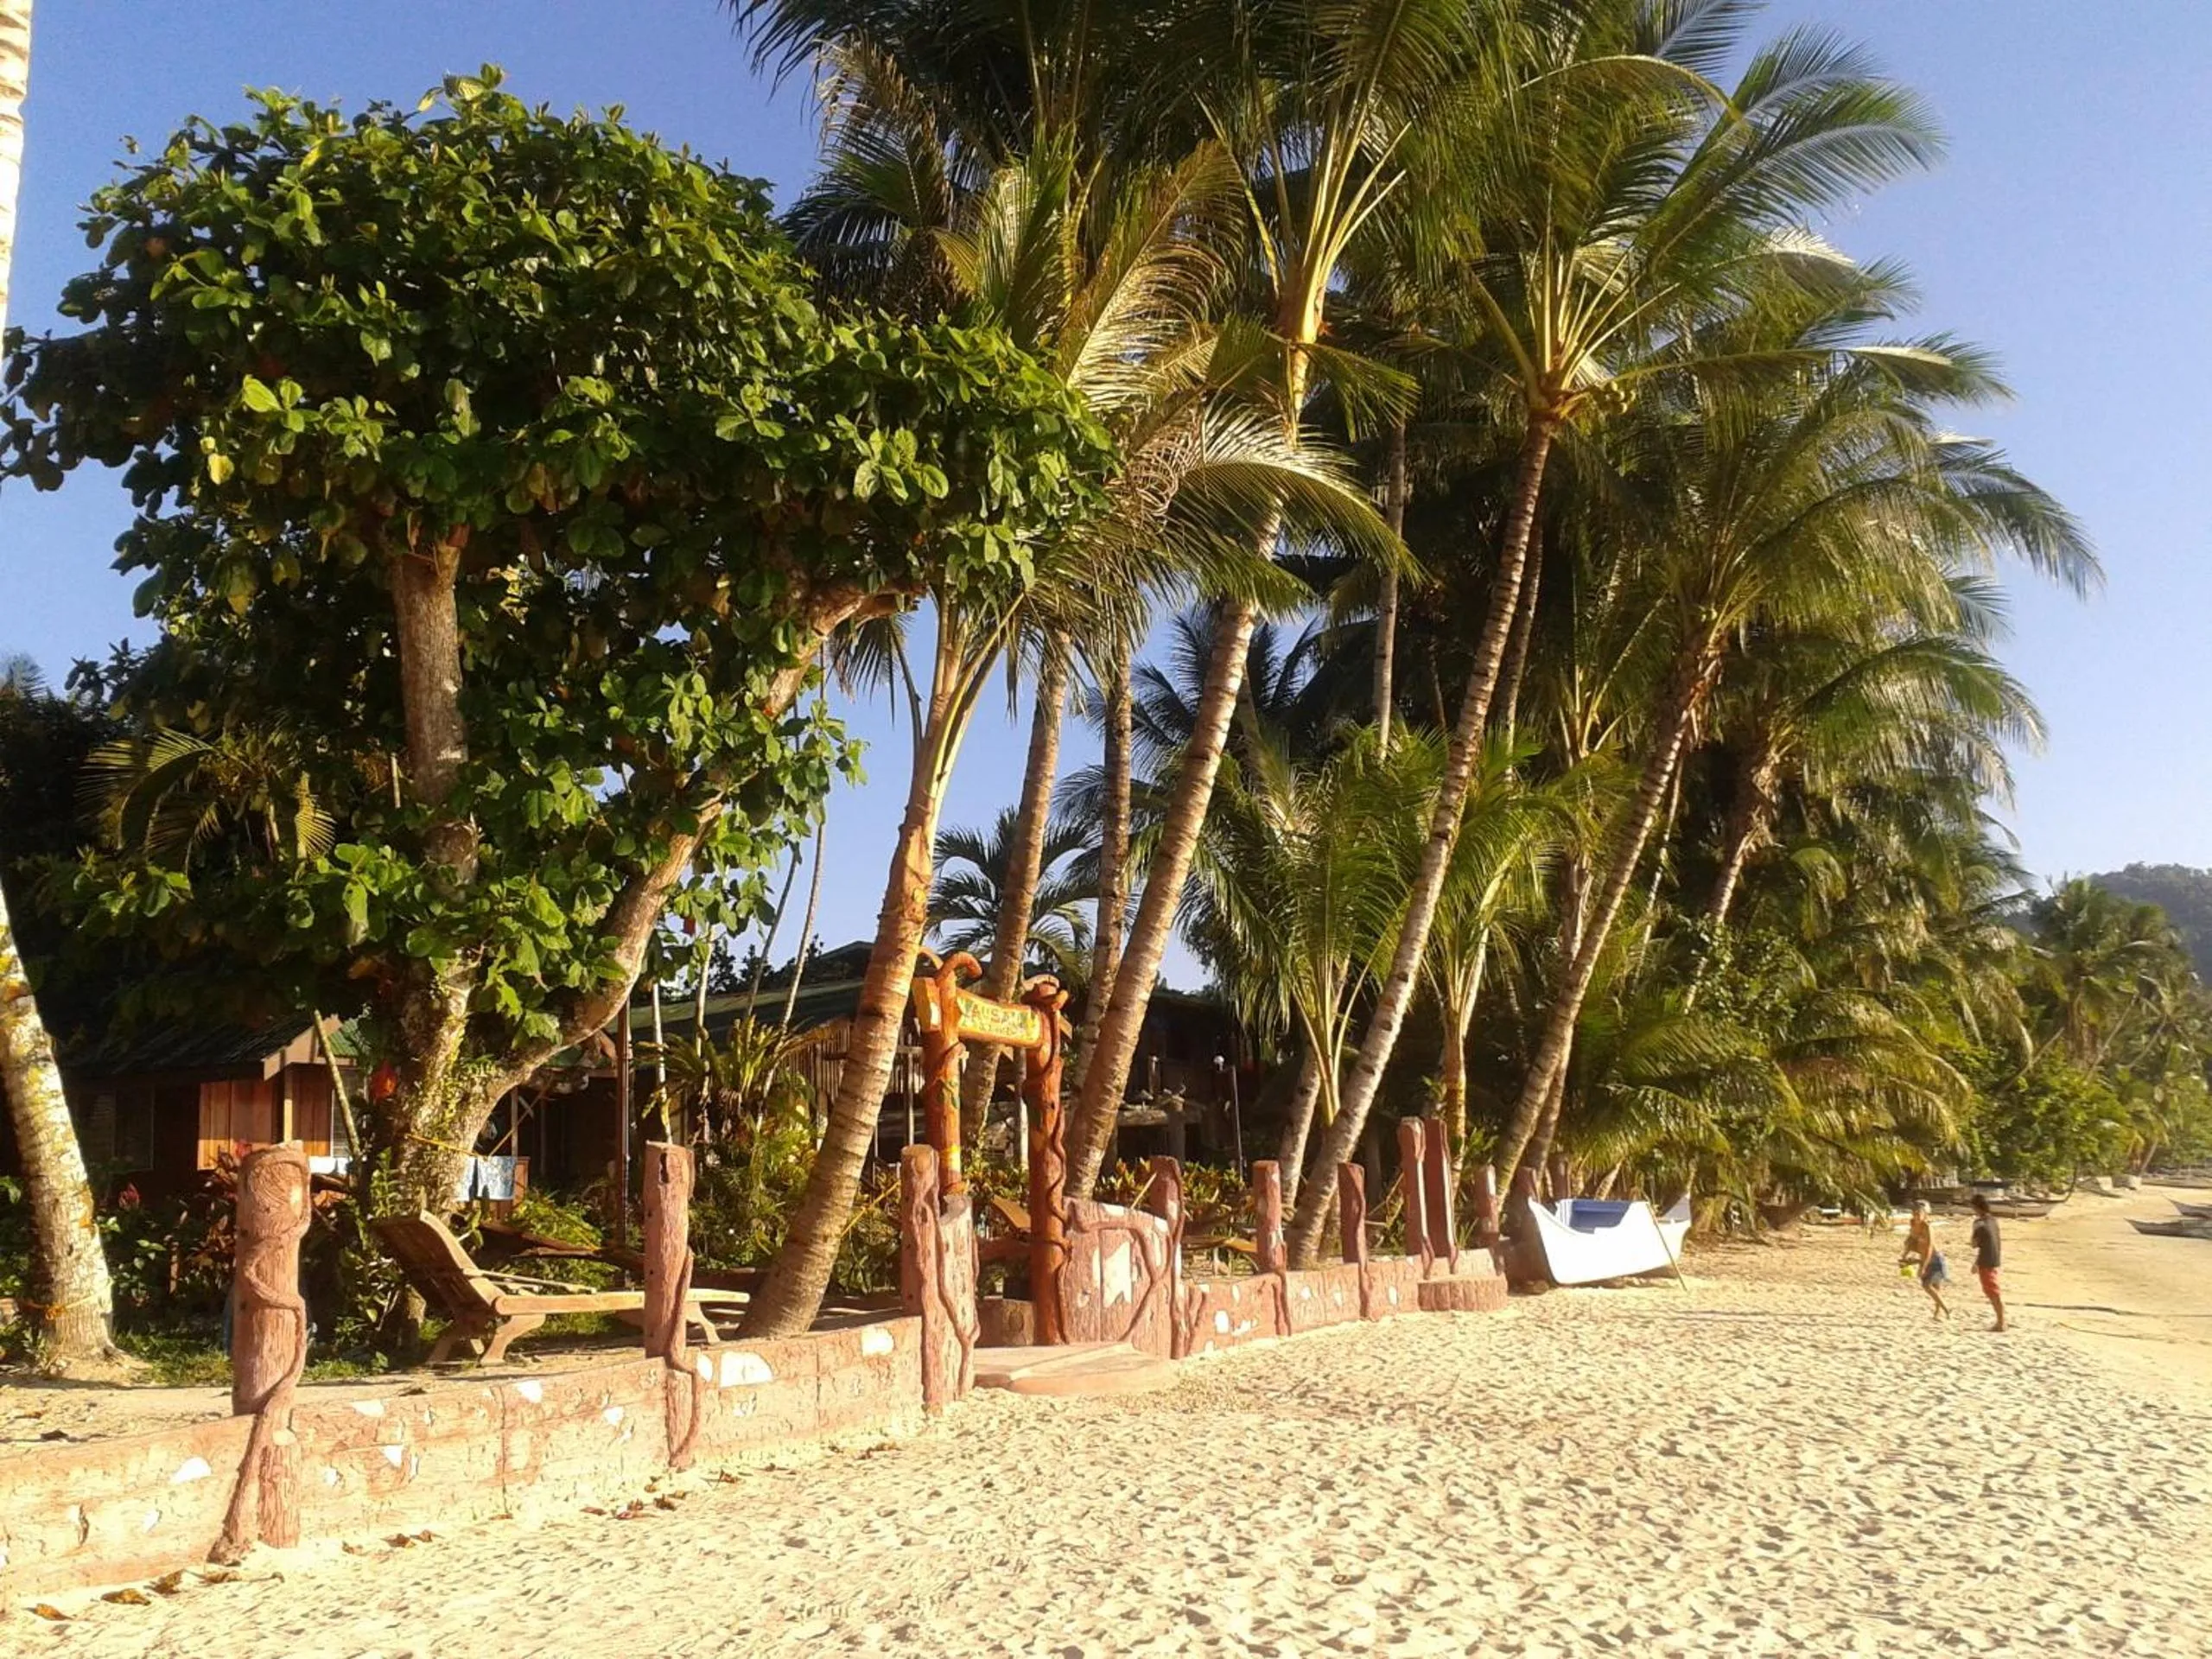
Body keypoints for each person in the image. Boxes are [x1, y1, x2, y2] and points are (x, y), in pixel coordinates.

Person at [1898, 1199, 1948, 1319]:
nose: (1916, 1216)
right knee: (1931, 1287)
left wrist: (1923, 1267)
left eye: (1918, 1213)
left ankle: (1944, 1310)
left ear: (1925, 1214)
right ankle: (1940, 1312)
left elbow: (1930, 1247)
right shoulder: (1913, 1224)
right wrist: (1904, 1256)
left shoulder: (1927, 1227)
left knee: (1929, 1286)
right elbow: (1910, 1241)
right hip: (1923, 1256)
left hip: (1934, 1258)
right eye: (1914, 1213)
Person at [1970, 1192, 2006, 1332]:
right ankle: (2001, 1320)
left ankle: (2001, 1322)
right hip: (1994, 1258)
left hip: (1985, 1260)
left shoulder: (1979, 1223)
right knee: (1993, 1290)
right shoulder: (1993, 1220)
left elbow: (1974, 1244)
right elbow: (1990, 1241)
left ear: (1976, 1207)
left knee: (1992, 1291)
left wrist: (1977, 1262)